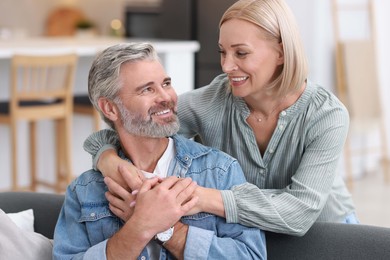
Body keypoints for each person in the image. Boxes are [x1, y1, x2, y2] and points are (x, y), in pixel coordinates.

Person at [84, 0, 357, 237]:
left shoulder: (326, 116)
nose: (226, 66)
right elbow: (138, 125)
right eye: (222, 52)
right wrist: (108, 159)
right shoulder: (211, 103)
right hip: (251, 230)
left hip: (326, 233)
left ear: (282, 52)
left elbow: (298, 213)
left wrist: (199, 198)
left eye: (241, 53)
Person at [53, 42, 266, 260]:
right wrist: (138, 228)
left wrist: (168, 230)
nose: (166, 97)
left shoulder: (218, 171)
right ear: (110, 108)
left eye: (166, 83)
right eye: (147, 89)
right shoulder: (85, 190)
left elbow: (250, 256)